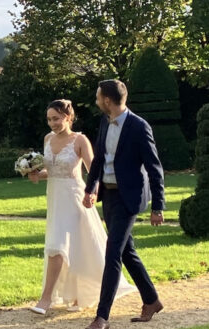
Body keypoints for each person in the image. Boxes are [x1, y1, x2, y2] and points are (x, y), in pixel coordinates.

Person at [28, 99, 133, 315]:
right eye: (49, 119)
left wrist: (92, 194)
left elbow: (93, 171)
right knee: (73, 246)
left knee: (57, 245)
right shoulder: (47, 139)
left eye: (55, 119)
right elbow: (53, 170)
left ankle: (45, 299)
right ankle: (75, 294)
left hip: (75, 198)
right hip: (55, 197)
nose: (52, 123)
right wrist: (37, 174)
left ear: (68, 117)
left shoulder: (80, 140)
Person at [83, 79, 165, 329]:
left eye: (98, 97)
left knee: (112, 253)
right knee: (126, 251)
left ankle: (102, 317)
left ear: (107, 100)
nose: (97, 101)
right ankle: (151, 300)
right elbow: (98, 158)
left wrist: (158, 206)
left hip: (130, 198)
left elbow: (154, 167)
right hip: (109, 196)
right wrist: (90, 188)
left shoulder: (139, 127)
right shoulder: (104, 122)